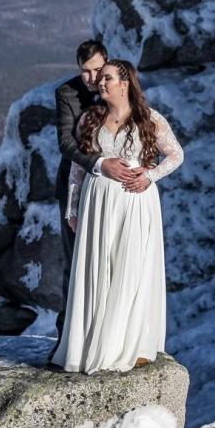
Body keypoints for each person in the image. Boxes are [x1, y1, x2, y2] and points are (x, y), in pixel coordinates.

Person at [52, 59, 184, 374]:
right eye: (101, 79)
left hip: (136, 203)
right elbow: (77, 168)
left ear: (125, 83)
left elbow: (176, 154)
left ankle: (132, 345)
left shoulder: (149, 119)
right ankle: (93, 345)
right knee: (98, 271)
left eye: (108, 78)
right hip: (97, 203)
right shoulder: (90, 119)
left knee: (131, 270)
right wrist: (72, 208)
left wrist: (150, 175)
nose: (101, 83)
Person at [52, 40, 142, 359]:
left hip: (120, 192)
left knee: (116, 262)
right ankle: (70, 341)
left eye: (97, 70)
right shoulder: (66, 94)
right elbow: (65, 143)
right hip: (79, 185)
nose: (92, 79)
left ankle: (111, 340)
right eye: (85, 72)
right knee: (76, 260)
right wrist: (99, 164)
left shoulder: (119, 87)